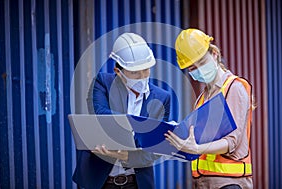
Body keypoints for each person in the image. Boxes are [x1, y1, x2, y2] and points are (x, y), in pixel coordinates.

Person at [72, 33, 171, 189]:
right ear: (118, 71)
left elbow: (155, 149)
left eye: (146, 70)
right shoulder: (102, 82)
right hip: (99, 181)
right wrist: (141, 130)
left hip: (136, 182)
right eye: (135, 72)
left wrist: (127, 156)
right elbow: (101, 115)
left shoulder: (162, 97)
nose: (142, 77)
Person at [165, 29, 254, 189]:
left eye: (201, 62)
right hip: (204, 182)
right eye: (192, 68)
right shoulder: (202, 98)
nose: (198, 69)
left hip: (229, 183)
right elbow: (200, 138)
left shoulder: (233, 87)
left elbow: (232, 142)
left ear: (214, 53)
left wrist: (196, 148)